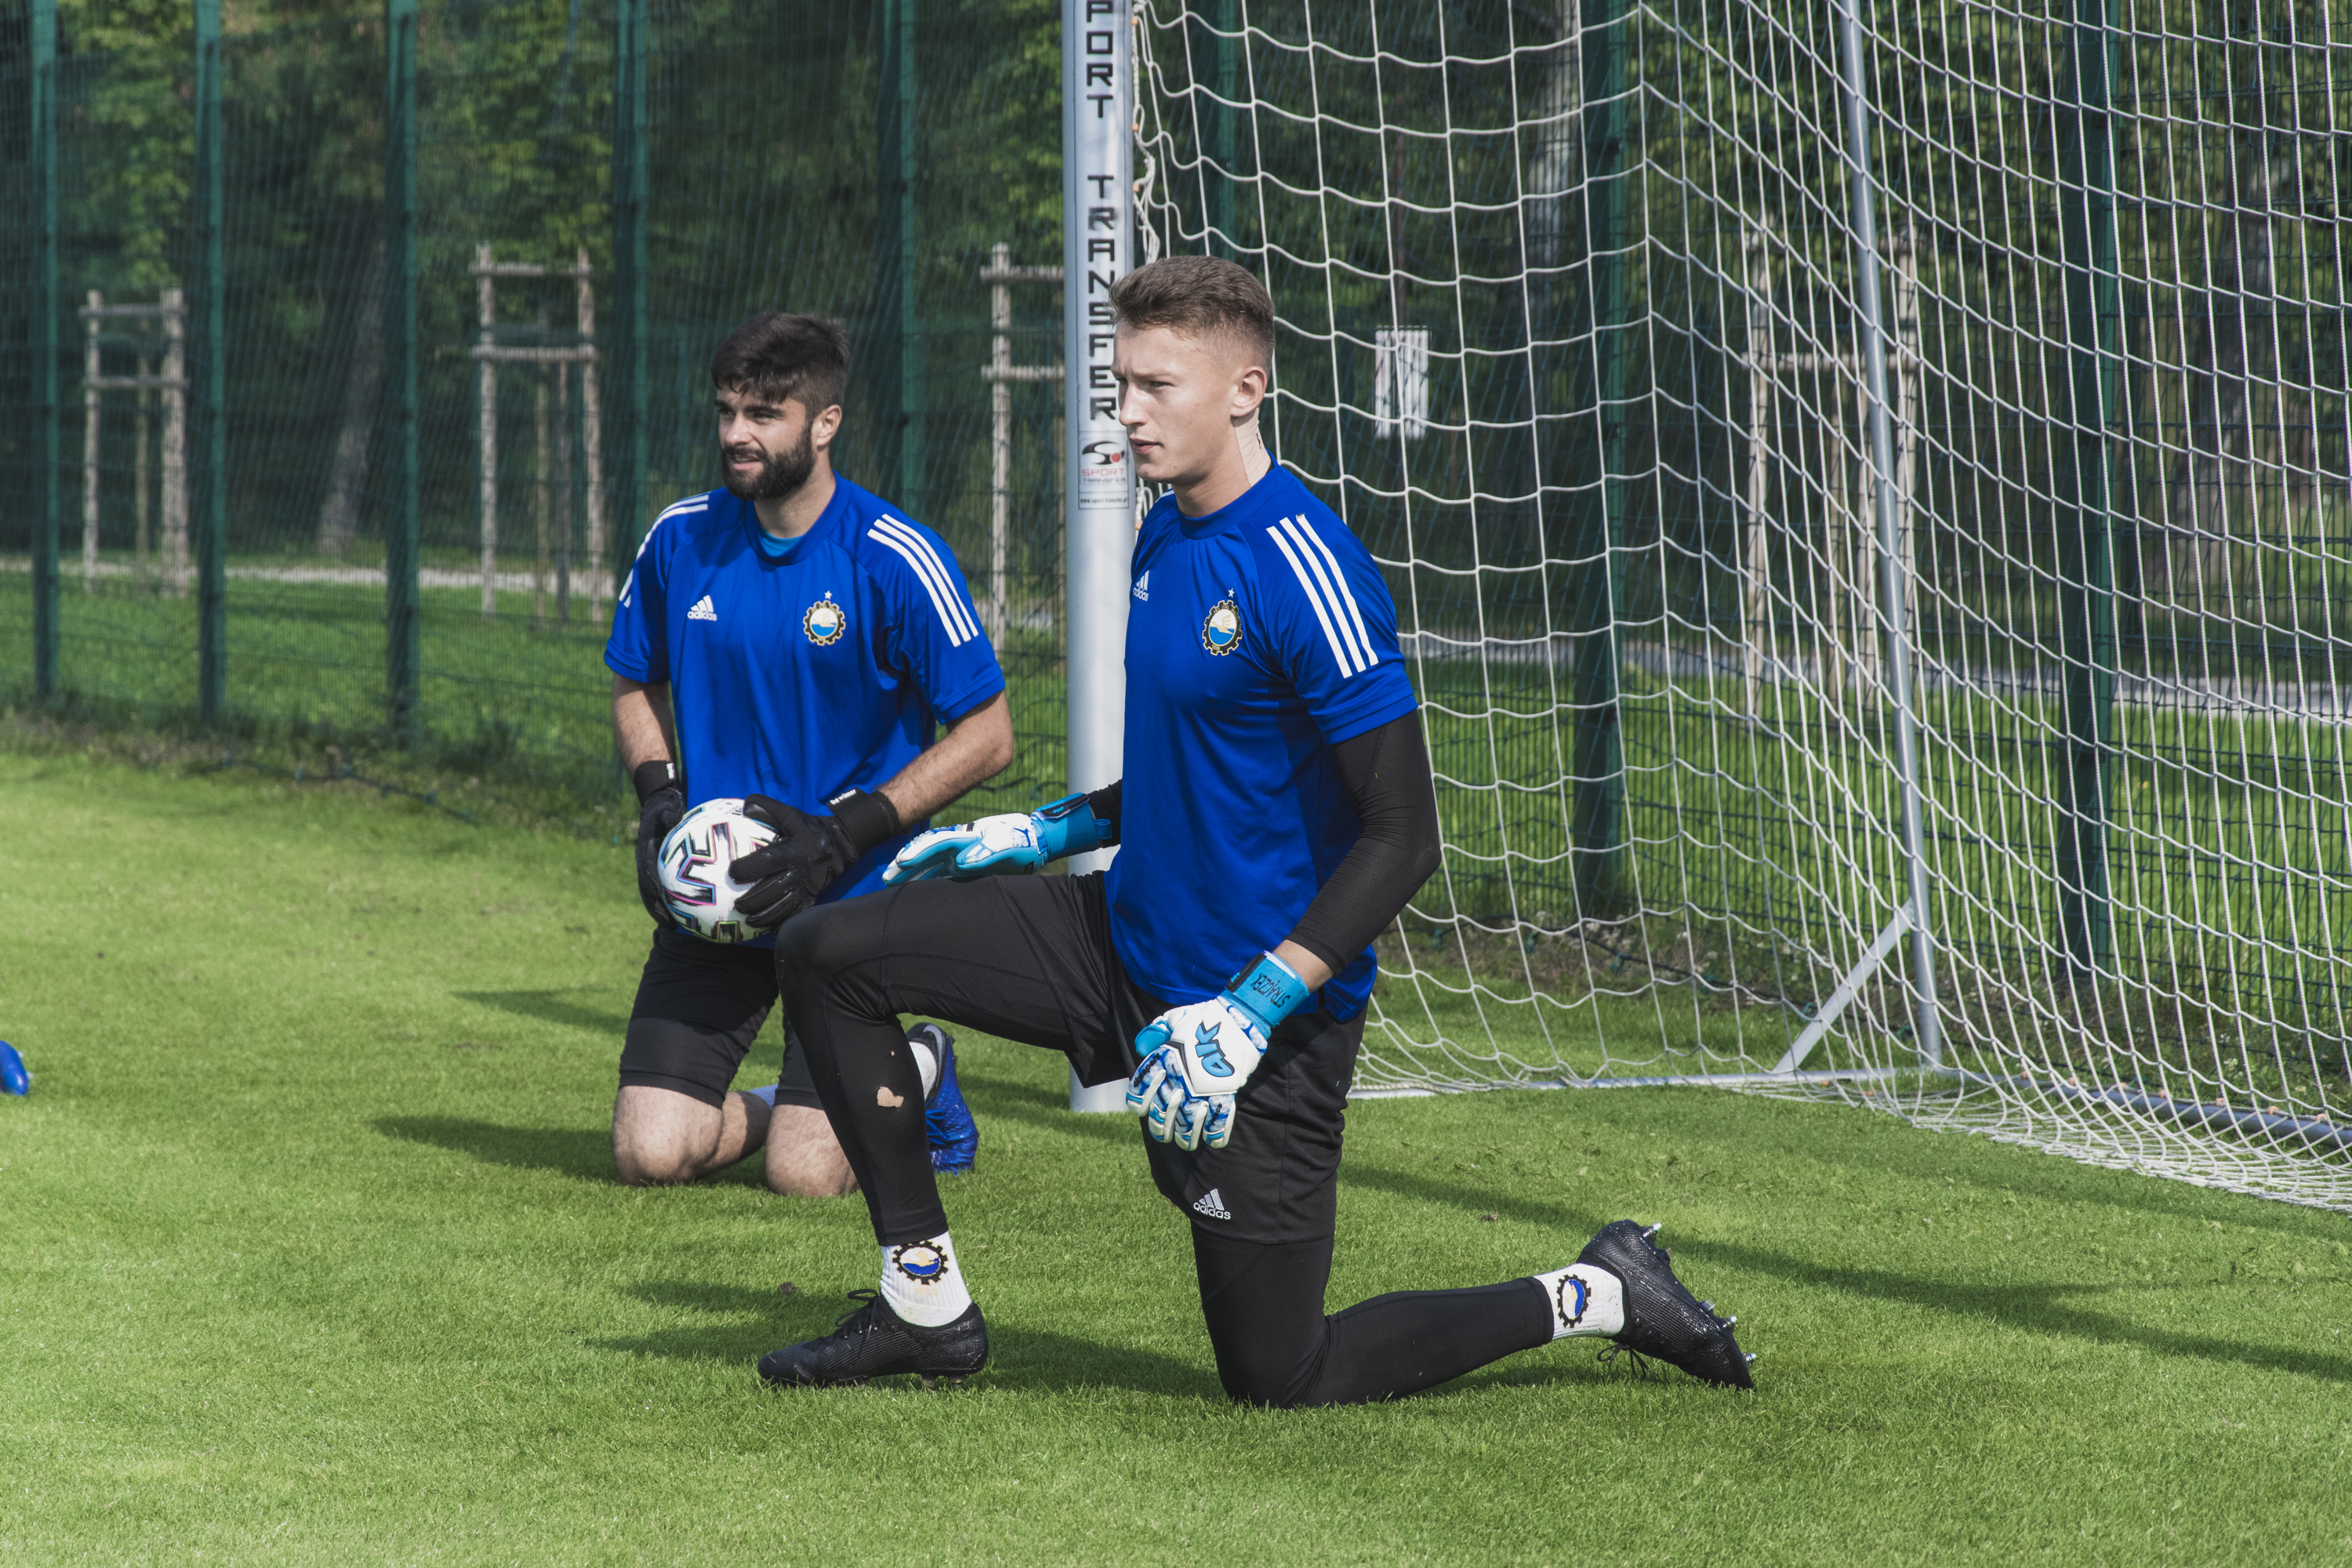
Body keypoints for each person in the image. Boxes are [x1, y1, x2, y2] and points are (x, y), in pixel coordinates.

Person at [753, 257, 1752, 1403]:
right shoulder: (1163, 533)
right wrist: (1034, 832)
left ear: (1245, 388)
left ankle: (1597, 1289)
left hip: (1256, 1007)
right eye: (1120, 383)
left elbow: (1403, 834)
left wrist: (1251, 1010)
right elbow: (1197, 768)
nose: (1127, 412)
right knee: (829, 954)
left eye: (1157, 386)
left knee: (1281, 1375)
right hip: (1119, 941)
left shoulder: (1305, 567)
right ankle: (923, 1307)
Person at [605, 311, 1012, 1197]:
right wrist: (657, 796)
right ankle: (794, 1097)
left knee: (802, 1175)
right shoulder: (682, 538)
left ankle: (924, 1063)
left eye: (764, 415)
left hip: (848, 897)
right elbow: (635, 681)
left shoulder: (894, 555)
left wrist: (844, 831)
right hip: (716, 898)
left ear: (825, 424)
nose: (737, 436)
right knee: (651, 1154)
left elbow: (990, 733)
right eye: (727, 413)